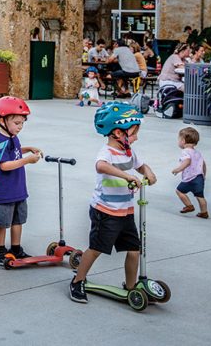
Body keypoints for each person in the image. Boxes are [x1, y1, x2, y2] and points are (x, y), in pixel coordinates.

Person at [69, 102, 157, 304]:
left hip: (125, 211)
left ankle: (131, 287)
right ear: (118, 133)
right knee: (96, 248)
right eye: (134, 133)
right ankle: (77, 281)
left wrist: (149, 173)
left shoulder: (129, 152)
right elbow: (101, 166)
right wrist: (126, 176)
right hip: (106, 211)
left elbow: (142, 165)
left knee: (134, 250)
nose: (137, 137)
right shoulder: (106, 152)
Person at [0, 96, 41, 265]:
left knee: (18, 219)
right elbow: (4, 165)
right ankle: (1, 249)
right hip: (3, 190)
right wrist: (28, 160)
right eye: (17, 123)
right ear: (2, 120)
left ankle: (16, 248)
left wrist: (26, 149)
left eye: (22, 123)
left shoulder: (11, 137)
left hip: (17, 189)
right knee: (3, 222)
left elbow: (14, 152)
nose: (20, 127)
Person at [172, 127, 208, 219]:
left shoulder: (185, 152)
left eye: (179, 139)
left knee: (179, 191)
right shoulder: (197, 153)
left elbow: (187, 161)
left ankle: (189, 206)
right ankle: (204, 212)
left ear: (183, 141)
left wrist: (178, 169)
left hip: (190, 178)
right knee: (200, 196)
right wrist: (203, 175)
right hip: (199, 177)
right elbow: (203, 164)